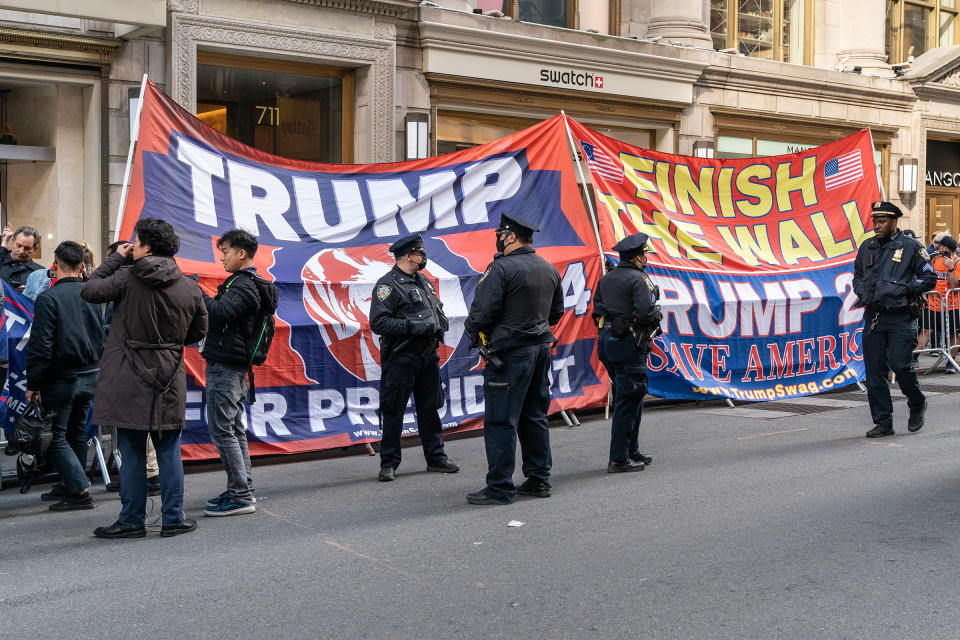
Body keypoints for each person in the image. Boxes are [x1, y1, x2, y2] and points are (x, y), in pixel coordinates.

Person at [82, 218, 208, 539]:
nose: (131, 248)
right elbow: (199, 330)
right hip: (169, 371)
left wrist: (116, 258)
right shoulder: (189, 285)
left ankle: (132, 520)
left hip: (128, 371)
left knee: (133, 449)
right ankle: (173, 519)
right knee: (168, 449)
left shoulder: (125, 276)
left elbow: (90, 288)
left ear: (147, 247)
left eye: (135, 243)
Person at [463, 213, 563, 505]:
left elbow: (481, 313)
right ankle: (538, 479)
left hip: (509, 354)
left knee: (500, 420)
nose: (498, 238)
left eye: (500, 234)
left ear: (510, 237)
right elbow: (555, 313)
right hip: (540, 350)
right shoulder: (548, 268)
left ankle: (499, 487)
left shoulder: (500, 269)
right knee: (534, 415)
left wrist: (474, 335)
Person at [199, 229, 278, 515]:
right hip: (234, 365)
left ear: (241, 253)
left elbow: (220, 313)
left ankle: (241, 495)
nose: (222, 257)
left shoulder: (243, 285)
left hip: (227, 366)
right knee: (233, 428)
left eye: (226, 252)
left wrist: (197, 293)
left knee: (223, 429)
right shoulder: (247, 283)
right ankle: (242, 487)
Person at [369, 233, 458, 481]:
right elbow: (378, 322)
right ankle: (389, 464)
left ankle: (436, 458)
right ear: (409, 255)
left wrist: (439, 324)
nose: (423, 257)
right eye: (420, 253)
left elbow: (434, 310)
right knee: (394, 410)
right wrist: (413, 326)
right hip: (401, 358)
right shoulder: (387, 285)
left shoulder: (423, 282)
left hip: (428, 357)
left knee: (430, 409)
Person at [26, 241, 105, 511]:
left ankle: (80, 490)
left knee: (55, 436)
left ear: (55, 265)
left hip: (63, 378)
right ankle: (70, 484)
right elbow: (99, 335)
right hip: (90, 374)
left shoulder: (48, 298)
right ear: (82, 267)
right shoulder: (90, 294)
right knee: (76, 432)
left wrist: (34, 382)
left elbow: (41, 345)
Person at [853, 201, 936, 438]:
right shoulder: (867, 246)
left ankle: (917, 402)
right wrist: (862, 291)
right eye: (874, 222)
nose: (877, 226)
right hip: (874, 316)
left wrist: (903, 288)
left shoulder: (910, 246)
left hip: (901, 316)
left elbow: (929, 278)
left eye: (881, 222)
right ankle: (883, 422)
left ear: (894, 222)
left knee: (901, 366)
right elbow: (857, 275)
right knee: (874, 372)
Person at [593, 233, 662, 473]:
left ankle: (631, 450)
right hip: (628, 343)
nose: (646, 258)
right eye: (644, 254)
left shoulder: (607, 278)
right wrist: (656, 315)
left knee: (631, 396)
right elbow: (645, 312)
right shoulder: (638, 278)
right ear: (636, 257)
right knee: (629, 397)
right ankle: (619, 458)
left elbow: (597, 309)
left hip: (607, 341)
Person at [99, 240, 161, 496]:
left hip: (136, 366)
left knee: (142, 427)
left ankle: (150, 476)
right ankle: (143, 476)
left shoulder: (130, 287)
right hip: (132, 365)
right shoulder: (123, 286)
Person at [0, 225, 43, 290]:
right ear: (13, 242)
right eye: (19, 246)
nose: (21, 251)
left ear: (35, 249)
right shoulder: (1, 261)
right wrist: (5, 242)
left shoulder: (40, 272)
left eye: (27, 248)